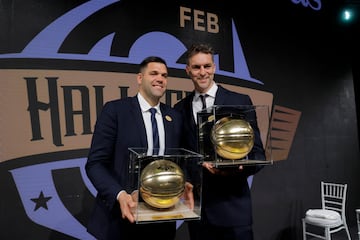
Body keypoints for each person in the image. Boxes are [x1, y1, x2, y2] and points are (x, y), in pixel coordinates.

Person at [85, 56, 185, 240]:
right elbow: (95, 164)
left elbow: (177, 162)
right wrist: (120, 195)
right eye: (153, 73)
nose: (160, 79)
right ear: (140, 78)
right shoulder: (115, 111)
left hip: (162, 220)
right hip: (122, 219)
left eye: (164, 75)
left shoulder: (174, 117)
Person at [174, 43, 266, 240]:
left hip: (233, 210)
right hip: (199, 214)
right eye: (197, 67)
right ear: (188, 70)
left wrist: (237, 166)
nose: (203, 72)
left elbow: (258, 153)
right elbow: (182, 155)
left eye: (207, 66)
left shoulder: (240, 101)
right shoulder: (179, 108)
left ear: (214, 68)